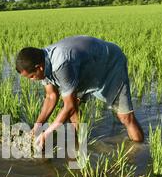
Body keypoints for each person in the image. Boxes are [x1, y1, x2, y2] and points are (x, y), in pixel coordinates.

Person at [15, 35, 144, 150]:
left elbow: (68, 107)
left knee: (125, 117)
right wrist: (37, 127)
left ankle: (139, 150)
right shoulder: (42, 61)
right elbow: (51, 96)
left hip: (109, 63)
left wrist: (46, 133)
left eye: (31, 76)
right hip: (85, 68)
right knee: (74, 106)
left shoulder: (61, 64)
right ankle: (80, 142)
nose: (32, 80)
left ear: (39, 67)